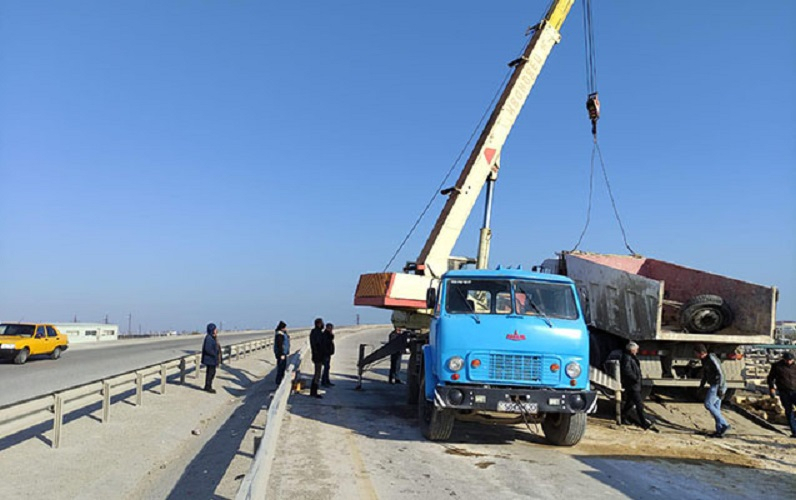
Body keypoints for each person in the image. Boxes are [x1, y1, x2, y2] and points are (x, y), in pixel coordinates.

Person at [694, 343, 729, 437]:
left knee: (708, 404)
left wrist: (721, 388)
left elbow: (721, 373)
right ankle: (719, 430)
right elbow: (705, 374)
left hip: (718, 385)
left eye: (695, 353)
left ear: (700, 352)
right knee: (716, 408)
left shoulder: (711, 358)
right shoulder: (704, 360)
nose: (695, 356)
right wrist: (701, 385)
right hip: (715, 384)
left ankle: (725, 424)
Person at [620, 341, 653, 429]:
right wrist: (635, 378)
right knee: (639, 404)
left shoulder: (630, 357)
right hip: (632, 385)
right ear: (632, 350)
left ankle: (623, 417)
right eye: (636, 349)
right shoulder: (627, 358)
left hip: (634, 384)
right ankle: (643, 423)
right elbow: (626, 370)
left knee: (630, 403)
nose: (637, 351)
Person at [767, 351, 796, 438]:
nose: (789, 362)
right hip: (784, 392)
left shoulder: (795, 366)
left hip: (795, 391)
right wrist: (772, 388)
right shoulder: (777, 366)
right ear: (784, 359)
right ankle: (795, 431)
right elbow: (770, 379)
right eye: (787, 360)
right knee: (789, 411)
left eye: (790, 360)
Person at [309, 318, 326, 398]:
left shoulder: (314, 332)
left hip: (316, 355)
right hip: (318, 356)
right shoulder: (317, 332)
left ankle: (313, 391)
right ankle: (314, 391)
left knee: (317, 373)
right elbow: (318, 345)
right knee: (317, 374)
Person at [201, 323, 221, 393]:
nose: (216, 330)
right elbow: (208, 349)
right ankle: (208, 387)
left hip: (212, 360)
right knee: (210, 373)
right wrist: (215, 354)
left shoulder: (212, 337)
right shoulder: (208, 338)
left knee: (212, 373)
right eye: (215, 329)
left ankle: (208, 386)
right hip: (210, 360)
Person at [273, 321, 290, 386]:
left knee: (282, 367)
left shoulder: (282, 333)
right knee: (281, 368)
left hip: (283, 353)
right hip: (281, 354)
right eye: (285, 327)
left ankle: (280, 381)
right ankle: (279, 382)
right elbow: (280, 345)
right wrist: (282, 354)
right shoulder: (279, 335)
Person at [321, 323, 336, 387]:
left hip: (328, 354)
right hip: (325, 354)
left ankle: (327, 380)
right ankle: (324, 381)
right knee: (326, 368)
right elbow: (325, 344)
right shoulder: (325, 335)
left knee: (327, 368)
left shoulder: (328, 335)